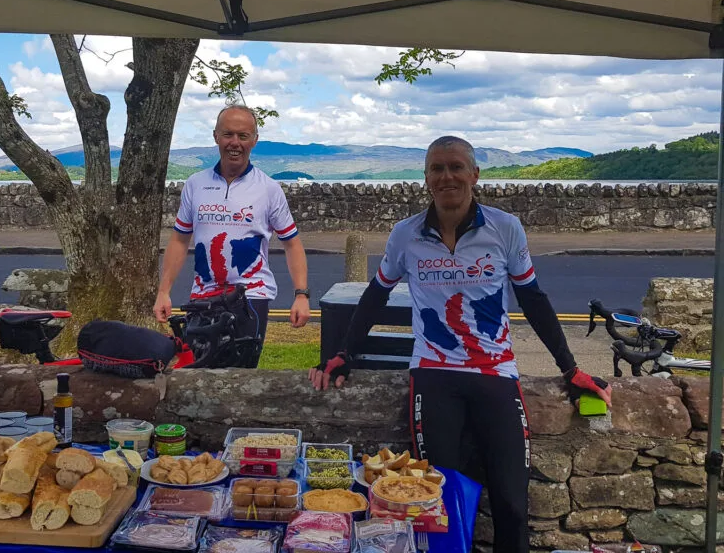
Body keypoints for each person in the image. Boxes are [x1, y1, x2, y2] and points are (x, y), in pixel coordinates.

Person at [308, 136, 612, 553]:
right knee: (435, 500)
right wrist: (344, 354)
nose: (446, 176)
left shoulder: (505, 228)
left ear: (474, 174)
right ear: (426, 179)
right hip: (433, 375)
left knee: (511, 501)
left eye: (455, 167)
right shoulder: (406, 234)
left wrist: (569, 368)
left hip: (496, 373)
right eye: (436, 168)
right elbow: (375, 296)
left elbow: (533, 299)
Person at [153, 104, 311, 367]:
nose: (234, 143)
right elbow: (180, 240)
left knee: (241, 379)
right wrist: (163, 292)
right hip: (202, 298)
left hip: (251, 299)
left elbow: (292, 244)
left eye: (243, 136)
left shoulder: (269, 189)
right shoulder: (195, 184)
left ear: (254, 141)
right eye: (228, 135)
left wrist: (302, 295)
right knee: (197, 376)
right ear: (216, 136)